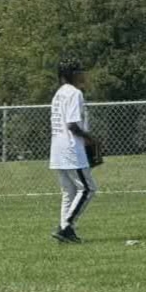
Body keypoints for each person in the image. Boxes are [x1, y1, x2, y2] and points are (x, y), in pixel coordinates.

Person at [48, 60, 98, 244]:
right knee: (88, 189)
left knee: (69, 192)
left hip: (57, 148)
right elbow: (72, 125)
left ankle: (65, 233)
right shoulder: (74, 93)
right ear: (71, 75)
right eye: (79, 72)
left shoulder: (58, 94)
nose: (83, 75)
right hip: (71, 148)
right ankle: (66, 226)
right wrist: (90, 139)